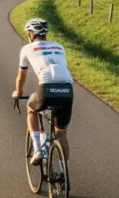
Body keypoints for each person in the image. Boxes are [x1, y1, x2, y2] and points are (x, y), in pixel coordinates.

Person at [13, 18, 74, 166]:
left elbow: (22, 76)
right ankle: (64, 172)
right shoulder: (59, 47)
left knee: (31, 108)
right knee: (61, 134)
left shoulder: (27, 49)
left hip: (46, 89)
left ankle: (38, 150)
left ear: (31, 34)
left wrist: (18, 92)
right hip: (67, 89)